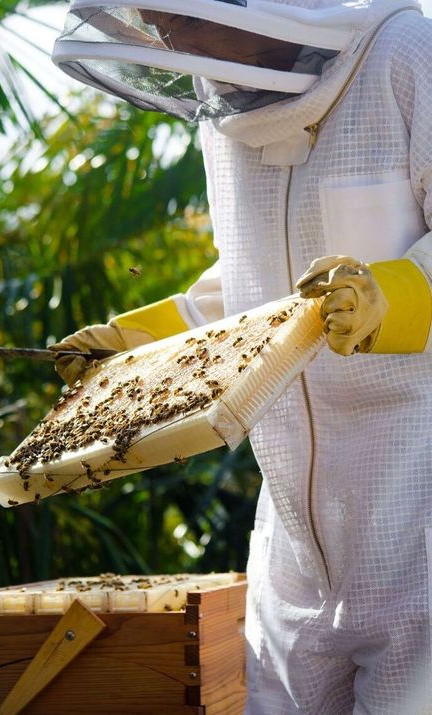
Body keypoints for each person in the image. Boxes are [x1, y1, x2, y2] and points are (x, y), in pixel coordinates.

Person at [52, 1, 432, 712]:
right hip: (290, 536)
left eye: (181, 17)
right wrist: (145, 343)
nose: (167, 35)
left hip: (419, 525)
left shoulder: (406, 56)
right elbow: (249, 286)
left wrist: (399, 293)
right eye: (155, 19)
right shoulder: (224, 119)